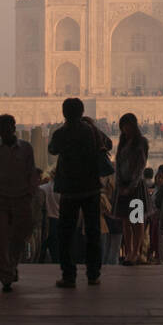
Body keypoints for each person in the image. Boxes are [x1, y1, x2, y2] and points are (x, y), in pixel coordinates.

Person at [47, 97, 113, 288]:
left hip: (69, 189)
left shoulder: (62, 132)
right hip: (91, 187)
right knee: (92, 232)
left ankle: (69, 275)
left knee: (66, 233)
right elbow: (107, 144)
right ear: (82, 112)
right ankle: (93, 274)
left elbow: (52, 149)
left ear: (64, 113)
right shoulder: (91, 130)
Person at [0, 114, 38, 292]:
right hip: (0, 198)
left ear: (13, 128)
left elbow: (32, 172)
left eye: (7, 128)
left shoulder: (26, 148)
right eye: (1, 129)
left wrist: (30, 193)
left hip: (21, 197)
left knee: (20, 236)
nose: (4, 132)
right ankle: (6, 276)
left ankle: (11, 266)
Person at [114, 113, 149, 266]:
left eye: (127, 125)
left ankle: (136, 252)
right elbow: (118, 164)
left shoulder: (141, 142)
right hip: (123, 186)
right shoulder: (123, 141)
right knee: (125, 222)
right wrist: (120, 184)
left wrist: (131, 187)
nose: (124, 129)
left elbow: (141, 166)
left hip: (135, 187)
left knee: (137, 221)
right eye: (123, 126)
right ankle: (129, 252)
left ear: (133, 126)